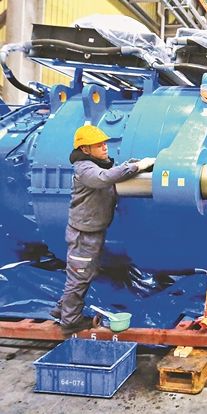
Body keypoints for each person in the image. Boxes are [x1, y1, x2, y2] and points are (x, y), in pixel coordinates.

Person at [51, 125, 156, 334]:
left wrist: (135, 165)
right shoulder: (84, 168)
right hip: (83, 235)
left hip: (93, 230)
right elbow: (103, 178)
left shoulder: (97, 164)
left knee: (86, 272)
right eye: (98, 145)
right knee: (79, 276)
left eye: (104, 143)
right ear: (85, 150)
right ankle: (70, 321)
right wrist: (136, 167)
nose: (105, 147)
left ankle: (62, 310)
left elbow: (109, 173)